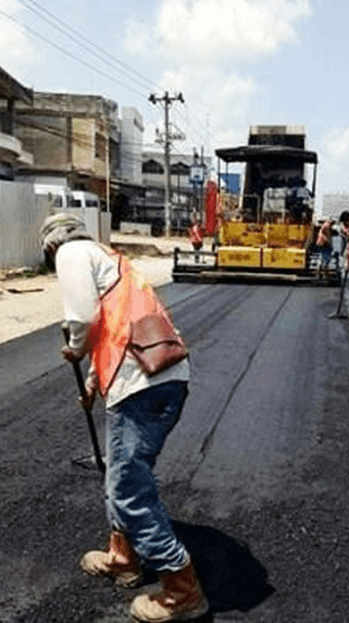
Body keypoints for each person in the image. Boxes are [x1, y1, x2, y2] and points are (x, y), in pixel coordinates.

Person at [40, 213, 208, 623]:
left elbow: (81, 317)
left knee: (130, 489)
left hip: (142, 385)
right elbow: (116, 330)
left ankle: (182, 588)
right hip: (160, 378)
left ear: (51, 246)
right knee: (120, 473)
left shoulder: (71, 252)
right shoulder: (113, 261)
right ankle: (123, 556)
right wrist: (94, 384)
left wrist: (76, 346)